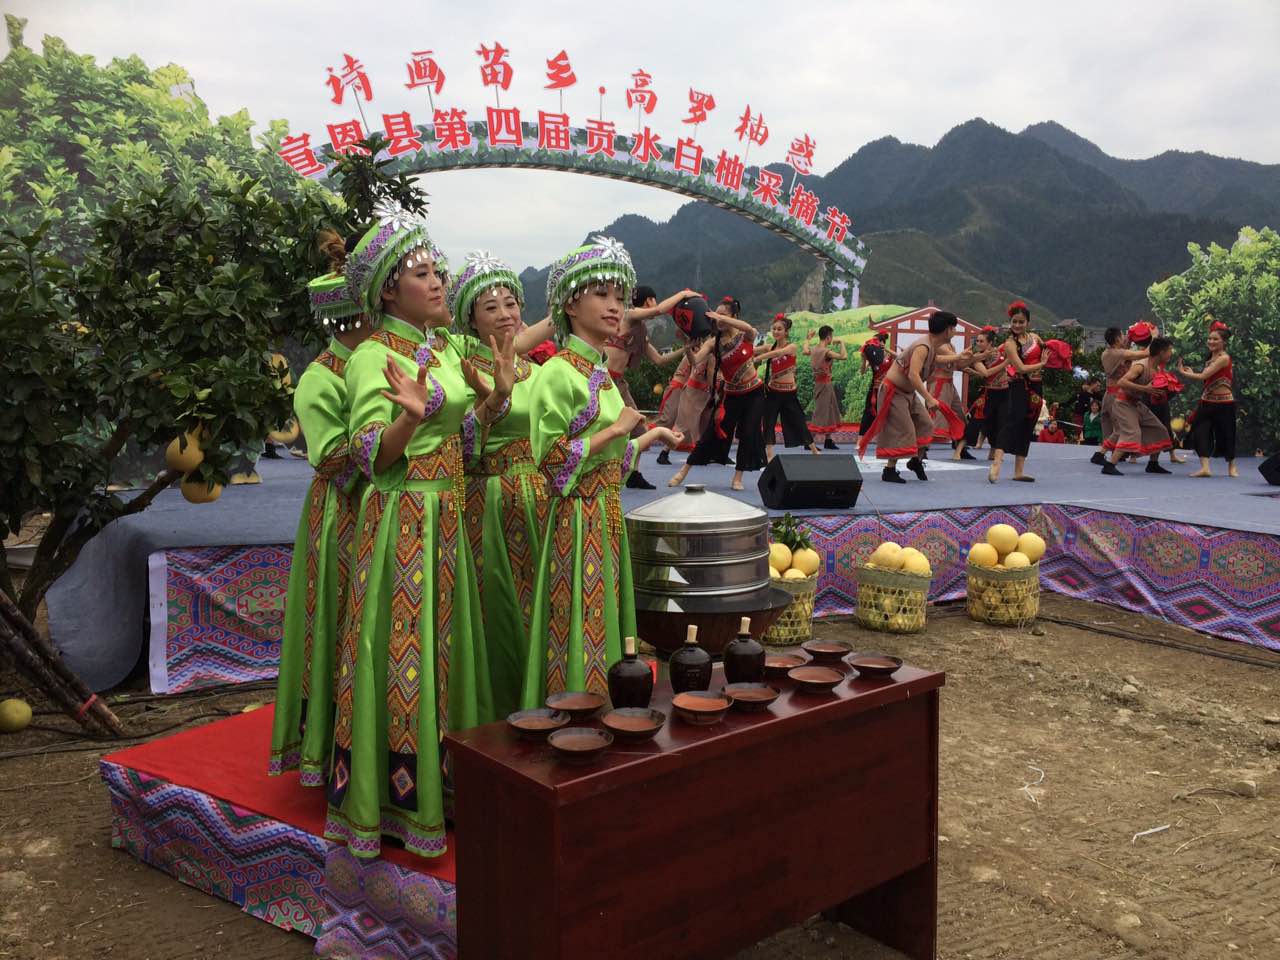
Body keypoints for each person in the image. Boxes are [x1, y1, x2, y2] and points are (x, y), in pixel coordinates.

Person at [327, 203, 515, 860]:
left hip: (446, 517)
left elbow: (465, 438)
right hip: (402, 520)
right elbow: (368, 458)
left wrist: (496, 398)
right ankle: (396, 799)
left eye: (437, 271)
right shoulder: (371, 357)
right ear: (388, 291)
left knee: (447, 649)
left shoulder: (440, 350)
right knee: (403, 652)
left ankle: (450, 784)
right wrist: (409, 420)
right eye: (421, 274)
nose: (438, 282)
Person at [521, 238, 682, 704]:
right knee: (578, 619)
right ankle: (575, 713)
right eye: (602, 295)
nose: (615, 306)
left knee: (603, 618)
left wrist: (651, 436)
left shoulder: (598, 374)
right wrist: (615, 430)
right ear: (571, 304)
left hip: (604, 514)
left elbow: (613, 458)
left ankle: (606, 708)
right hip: (575, 519)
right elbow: (552, 462)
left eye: (619, 296)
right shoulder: (557, 372)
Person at [269, 232, 372, 786]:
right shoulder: (319, 378)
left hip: (387, 503)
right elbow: (334, 458)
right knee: (344, 617)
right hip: (345, 508)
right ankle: (336, 742)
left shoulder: (382, 363)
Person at [446, 252, 550, 718]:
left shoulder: (539, 371)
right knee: (499, 606)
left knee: (542, 602)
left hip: (541, 500)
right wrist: (492, 402)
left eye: (511, 303)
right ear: (471, 318)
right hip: (487, 501)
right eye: (491, 307)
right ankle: (499, 707)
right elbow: (460, 447)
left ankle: (544, 697)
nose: (506, 313)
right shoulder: (461, 370)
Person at [859, 310, 972, 483]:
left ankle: (916, 461)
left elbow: (937, 360)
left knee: (926, 424)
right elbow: (913, 374)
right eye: (954, 328)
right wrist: (929, 398)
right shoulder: (923, 346)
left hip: (908, 393)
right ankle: (889, 470)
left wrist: (959, 356)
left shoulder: (931, 345)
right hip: (893, 392)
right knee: (903, 429)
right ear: (947, 330)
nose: (955, 331)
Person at [668, 303, 768, 491]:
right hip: (732, 395)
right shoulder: (713, 342)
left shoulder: (745, 335)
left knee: (748, 433)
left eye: (722, 314)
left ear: (734, 316)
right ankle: (683, 471)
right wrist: (687, 347)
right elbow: (695, 361)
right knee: (711, 433)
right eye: (715, 314)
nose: (717, 318)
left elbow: (748, 328)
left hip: (754, 393)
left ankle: (737, 478)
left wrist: (722, 318)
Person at [605, 284, 696, 489]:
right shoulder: (628, 314)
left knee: (639, 429)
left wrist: (685, 348)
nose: (656, 303)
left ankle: (633, 474)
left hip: (619, 383)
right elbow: (659, 310)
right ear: (648, 300)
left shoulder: (641, 330)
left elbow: (659, 360)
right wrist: (683, 293)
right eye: (654, 299)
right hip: (602, 379)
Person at [988, 301, 1046, 484]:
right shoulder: (1009, 344)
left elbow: (1047, 349)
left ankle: (1019, 471)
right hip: (1019, 385)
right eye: (1014, 321)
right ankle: (997, 462)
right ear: (1010, 322)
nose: (1017, 325)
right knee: (1012, 421)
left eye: (1021, 322)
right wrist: (1042, 364)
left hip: (1037, 385)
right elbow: (1020, 368)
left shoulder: (1035, 338)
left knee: (1028, 424)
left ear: (1028, 322)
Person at [1101, 337, 1174, 475]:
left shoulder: (1157, 368)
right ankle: (1109, 465)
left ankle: (1153, 464)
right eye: (1170, 350)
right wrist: (1145, 389)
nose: (1172, 353)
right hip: (1123, 403)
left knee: (1159, 429)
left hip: (1136, 404)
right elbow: (1122, 382)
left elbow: (1152, 389)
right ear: (1161, 352)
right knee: (1132, 432)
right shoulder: (1140, 366)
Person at [1178, 319, 1238, 478]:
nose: (1211, 341)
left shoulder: (1224, 358)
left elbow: (1204, 376)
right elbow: (1206, 377)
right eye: (1210, 338)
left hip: (1224, 403)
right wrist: (1192, 372)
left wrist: (1184, 373)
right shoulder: (1211, 357)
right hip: (1207, 402)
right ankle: (1205, 468)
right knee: (1200, 432)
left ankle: (1232, 466)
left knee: (1227, 434)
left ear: (1223, 342)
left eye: (1215, 339)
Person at [758, 313, 821, 460]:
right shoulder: (769, 347)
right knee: (768, 423)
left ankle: (814, 450)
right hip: (773, 392)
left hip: (789, 394)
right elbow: (752, 350)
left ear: (786, 332)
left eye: (779, 329)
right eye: (774, 329)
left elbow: (778, 353)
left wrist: (758, 358)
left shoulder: (792, 347)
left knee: (799, 421)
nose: (775, 331)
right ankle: (769, 456)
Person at [1094, 325, 1150, 466]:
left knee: (1113, 427)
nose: (1125, 338)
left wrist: (1130, 338)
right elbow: (1146, 353)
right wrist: (1154, 336)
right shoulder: (1118, 354)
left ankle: (1110, 453)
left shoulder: (1108, 353)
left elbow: (1124, 351)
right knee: (1123, 428)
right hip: (1117, 396)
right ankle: (1101, 454)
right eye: (1122, 335)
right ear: (1118, 338)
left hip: (1110, 394)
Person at [952, 326, 1000, 461]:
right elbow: (985, 374)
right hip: (986, 392)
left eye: (981, 341)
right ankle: (958, 450)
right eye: (977, 341)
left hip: (1003, 392)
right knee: (975, 421)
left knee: (996, 423)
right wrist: (1005, 363)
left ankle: (993, 452)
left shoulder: (1000, 353)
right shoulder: (977, 357)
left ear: (990, 343)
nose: (978, 343)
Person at [808, 324, 847, 449]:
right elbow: (843, 356)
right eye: (831, 336)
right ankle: (809, 442)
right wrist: (841, 342)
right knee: (820, 412)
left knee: (829, 410)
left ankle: (828, 440)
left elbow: (805, 350)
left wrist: (807, 339)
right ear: (828, 337)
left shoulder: (814, 349)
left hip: (822, 383)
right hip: (824, 384)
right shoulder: (826, 352)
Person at [857, 332, 893, 440]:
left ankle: (890, 440)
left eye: (875, 341)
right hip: (875, 387)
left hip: (888, 388)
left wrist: (887, 349)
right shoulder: (873, 357)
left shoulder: (890, 355)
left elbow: (900, 358)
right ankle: (860, 441)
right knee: (869, 412)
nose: (872, 344)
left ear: (882, 342)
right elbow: (862, 371)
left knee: (890, 413)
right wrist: (863, 359)